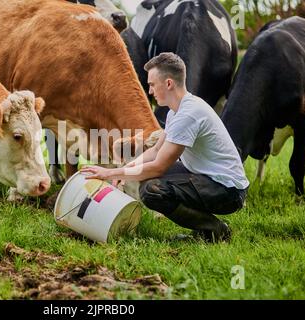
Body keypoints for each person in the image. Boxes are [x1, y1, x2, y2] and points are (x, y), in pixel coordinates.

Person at [80, 52, 249, 242]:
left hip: (228, 191)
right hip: (209, 178)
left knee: (152, 190)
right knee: (150, 180)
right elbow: (154, 152)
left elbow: (159, 166)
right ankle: (206, 229)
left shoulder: (189, 114)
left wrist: (110, 173)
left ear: (168, 83)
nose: (150, 91)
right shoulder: (176, 112)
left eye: (152, 85)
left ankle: (215, 231)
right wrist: (123, 171)